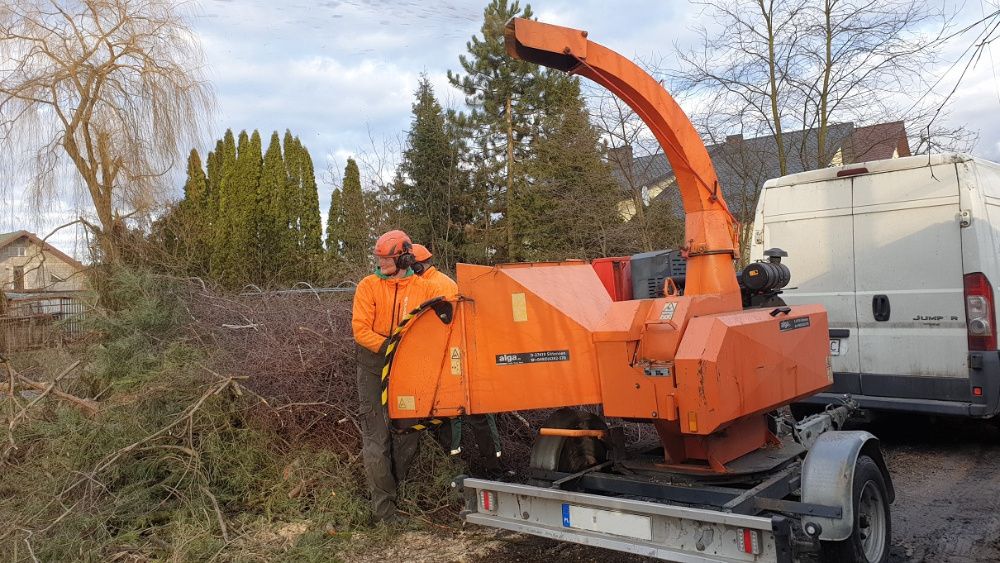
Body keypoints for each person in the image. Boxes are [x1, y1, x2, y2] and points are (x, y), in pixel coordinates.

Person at [351, 230, 433, 523]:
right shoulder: (368, 286)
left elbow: (430, 327)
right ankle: (384, 511)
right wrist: (389, 347)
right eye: (379, 258)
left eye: (386, 258)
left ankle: (396, 490)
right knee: (377, 438)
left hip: (409, 366)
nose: (381, 263)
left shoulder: (423, 288)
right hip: (374, 363)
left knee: (408, 432)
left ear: (405, 257)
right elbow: (361, 330)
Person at [411, 243, 503, 474]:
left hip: (447, 356)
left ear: (417, 265)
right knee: (476, 410)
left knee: (452, 412)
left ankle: (454, 467)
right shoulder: (444, 281)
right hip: (459, 354)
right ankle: (492, 465)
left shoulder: (429, 285)